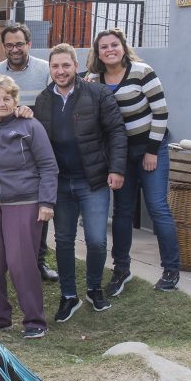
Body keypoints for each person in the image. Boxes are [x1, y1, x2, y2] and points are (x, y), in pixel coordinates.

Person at [34, 45, 127, 322]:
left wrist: (117, 168)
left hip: (93, 180)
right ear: (50, 69)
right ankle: (68, 296)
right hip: (60, 184)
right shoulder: (43, 100)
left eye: (66, 65)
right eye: (55, 66)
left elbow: (117, 132)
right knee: (63, 240)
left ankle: (94, 289)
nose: (60, 71)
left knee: (97, 241)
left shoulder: (97, 94)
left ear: (76, 66)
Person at [86, 28, 181, 293]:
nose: (109, 50)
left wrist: (152, 151)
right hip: (120, 154)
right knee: (123, 211)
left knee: (158, 208)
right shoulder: (94, 79)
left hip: (151, 148)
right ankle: (121, 269)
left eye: (114, 45)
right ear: (98, 52)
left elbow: (160, 112)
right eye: (103, 47)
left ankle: (171, 270)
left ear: (123, 47)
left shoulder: (142, 71)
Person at [0, 75, 57, 339]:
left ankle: (35, 321)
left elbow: (49, 166)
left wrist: (46, 202)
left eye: (7, 98)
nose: (2, 103)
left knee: (21, 263)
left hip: (24, 201)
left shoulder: (30, 125)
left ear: (15, 100)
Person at [0, 22, 57, 282]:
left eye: (19, 44)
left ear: (29, 44)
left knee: (35, 217)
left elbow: (51, 108)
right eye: (10, 45)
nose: (14, 49)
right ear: (4, 47)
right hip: (1, 158)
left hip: (35, 149)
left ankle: (38, 261)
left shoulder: (45, 71)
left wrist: (28, 116)